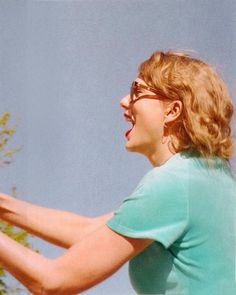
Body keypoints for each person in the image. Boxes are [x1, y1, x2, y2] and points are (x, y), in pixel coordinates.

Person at [0, 50, 235, 295]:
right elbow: (86, 232)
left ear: (172, 111)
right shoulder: (208, 178)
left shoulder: (174, 184)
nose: (124, 101)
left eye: (137, 91)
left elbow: (52, 280)